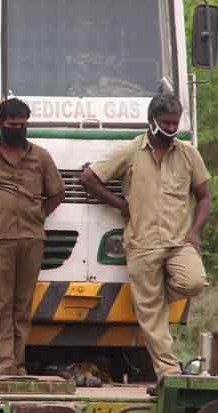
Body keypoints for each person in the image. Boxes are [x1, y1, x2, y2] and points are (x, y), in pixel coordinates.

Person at [80, 94, 211, 379]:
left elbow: (204, 196)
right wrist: (120, 205)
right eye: (166, 123)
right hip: (142, 244)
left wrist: (194, 233)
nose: (171, 128)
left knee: (194, 281)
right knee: (152, 317)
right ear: (151, 121)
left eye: (175, 123)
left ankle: (154, 295)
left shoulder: (189, 154)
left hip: (179, 242)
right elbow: (89, 177)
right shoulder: (130, 152)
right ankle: (169, 372)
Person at [0, 98, 65, 375]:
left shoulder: (40, 156)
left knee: (23, 303)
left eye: (23, 124)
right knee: (0, 302)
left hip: (31, 237)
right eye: (12, 125)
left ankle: (18, 363)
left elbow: (57, 193)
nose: (18, 129)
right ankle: (1, 363)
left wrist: (39, 215)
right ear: (0, 125)